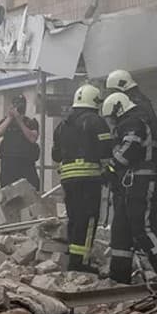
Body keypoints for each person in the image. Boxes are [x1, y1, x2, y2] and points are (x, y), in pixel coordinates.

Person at [104, 91, 157, 283]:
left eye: (111, 117)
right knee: (120, 230)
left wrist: (111, 166)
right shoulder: (128, 123)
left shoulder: (133, 122)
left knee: (141, 228)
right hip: (128, 184)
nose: (111, 122)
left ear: (118, 109)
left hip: (139, 182)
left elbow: (130, 149)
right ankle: (118, 277)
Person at [52, 83, 109, 273]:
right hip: (89, 178)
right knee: (89, 219)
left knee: (75, 218)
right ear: (94, 101)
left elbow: (56, 156)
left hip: (68, 179)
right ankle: (81, 263)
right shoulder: (96, 121)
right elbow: (106, 149)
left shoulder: (62, 124)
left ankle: (73, 257)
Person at [0, 95, 41, 190]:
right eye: (15, 105)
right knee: (7, 191)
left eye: (21, 105)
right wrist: (10, 117)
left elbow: (32, 138)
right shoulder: (5, 121)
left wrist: (20, 121)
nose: (19, 107)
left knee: (31, 189)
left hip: (26, 162)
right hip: (8, 162)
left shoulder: (31, 122)